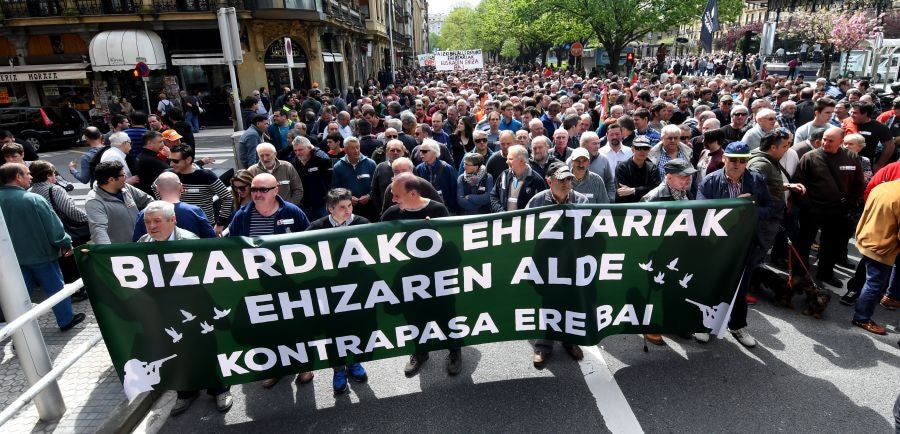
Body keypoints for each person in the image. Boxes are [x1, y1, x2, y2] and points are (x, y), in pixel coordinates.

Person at [380, 172, 458, 376]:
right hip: (408, 278)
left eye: (397, 195)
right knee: (414, 316)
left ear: (413, 193)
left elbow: (452, 243)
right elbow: (378, 245)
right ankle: (420, 352)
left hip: (438, 276)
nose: (393, 200)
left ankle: (454, 351)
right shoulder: (391, 214)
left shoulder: (437, 210)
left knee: (446, 315)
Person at [0, 163, 85, 331]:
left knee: (19, 298)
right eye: (26, 174)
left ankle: (21, 334)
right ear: (18, 177)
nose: (30, 177)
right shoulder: (33, 199)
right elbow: (54, 227)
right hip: (41, 255)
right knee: (55, 288)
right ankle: (66, 319)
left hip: (11, 260)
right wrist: (65, 243)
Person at [304, 188, 371, 393]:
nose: (348, 210)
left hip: (357, 290)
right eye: (342, 207)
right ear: (330, 209)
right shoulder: (316, 228)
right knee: (334, 332)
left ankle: (354, 362)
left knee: (357, 329)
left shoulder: (363, 224)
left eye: (350, 205)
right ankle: (338, 369)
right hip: (330, 293)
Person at [527, 162, 588, 368]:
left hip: (572, 261)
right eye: (561, 179)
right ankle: (543, 345)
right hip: (546, 262)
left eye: (569, 179)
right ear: (549, 181)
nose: (566, 183)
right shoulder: (537, 201)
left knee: (571, 301)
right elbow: (523, 231)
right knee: (548, 302)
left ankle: (569, 340)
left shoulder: (581, 200)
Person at [793, 127, 865, 288]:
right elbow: (798, 182)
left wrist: (850, 204)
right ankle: (800, 273)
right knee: (804, 242)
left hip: (838, 210)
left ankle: (825, 273)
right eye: (824, 139)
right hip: (813, 209)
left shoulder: (851, 157)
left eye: (830, 140)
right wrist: (807, 205)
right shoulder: (810, 157)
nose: (825, 143)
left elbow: (858, 183)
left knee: (831, 244)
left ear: (841, 141)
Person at [849, 180, 900, 336]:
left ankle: (888, 298)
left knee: (870, 279)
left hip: (867, 237)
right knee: (874, 283)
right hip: (883, 246)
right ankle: (862, 318)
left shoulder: (884, 187)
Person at [166, 144, 233, 235]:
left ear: (188, 160)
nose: (171, 164)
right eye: (170, 160)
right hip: (177, 227)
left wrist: (220, 224)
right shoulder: (169, 175)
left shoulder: (206, 176)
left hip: (203, 227)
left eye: (175, 161)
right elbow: (156, 188)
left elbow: (228, 197)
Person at [132, 172, 216, 240]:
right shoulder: (195, 211)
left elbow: (136, 245)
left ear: (157, 189)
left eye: (157, 221)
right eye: (148, 222)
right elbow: (211, 240)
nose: (152, 225)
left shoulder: (144, 214)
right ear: (181, 187)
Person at [85, 160, 152, 244]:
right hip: (120, 251)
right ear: (111, 180)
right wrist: (109, 253)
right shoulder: (94, 201)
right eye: (123, 175)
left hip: (140, 245)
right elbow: (98, 231)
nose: (126, 177)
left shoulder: (125, 188)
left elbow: (148, 200)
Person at [490, 145, 547, 212]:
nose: (507, 162)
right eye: (507, 159)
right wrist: (501, 212)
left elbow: (542, 204)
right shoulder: (504, 175)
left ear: (522, 161)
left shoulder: (537, 180)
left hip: (525, 221)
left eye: (510, 159)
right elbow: (494, 196)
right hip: (504, 220)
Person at [331, 136, 377, 220]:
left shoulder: (371, 163)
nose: (356, 151)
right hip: (348, 209)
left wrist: (369, 196)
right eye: (352, 148)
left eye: (357, 147)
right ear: (345, 149)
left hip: (370, 208)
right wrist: (347, 198)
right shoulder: (338, 167)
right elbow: (335, 189)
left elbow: (377, 186)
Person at [291, 136, 332, 220]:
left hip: (322, 203)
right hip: (304, 203)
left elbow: (331, 181)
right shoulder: (295, 162)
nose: (298, 153)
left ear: (309, 148)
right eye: (295, 150)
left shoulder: (322, 159)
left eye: (300, 150)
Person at [414, 139, 457, 213]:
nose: (421, 153)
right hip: (425, 209)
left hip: (444, 209)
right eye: (420, 151)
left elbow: (453, 190)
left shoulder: (447, 168)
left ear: (434, 152)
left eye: (424, 151)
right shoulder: (418, 168)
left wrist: (451, 210)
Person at [615, 137, 660, 203]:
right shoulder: (622, 167)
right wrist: (644, 189)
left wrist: (632, 190)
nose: (642, 151)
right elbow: (622, 193)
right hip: (626, 207)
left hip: (648, 207)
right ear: (632, 149)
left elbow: (655, 190)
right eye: (638, 148)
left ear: (649, 150)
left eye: (645, 148)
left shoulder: (653, 168)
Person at [135, 130, 169, 195]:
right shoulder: (150, 159)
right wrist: (169, 156)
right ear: (150, 143)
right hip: (153, 195)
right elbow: (173, 172)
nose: (163, 144)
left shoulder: (141, 155)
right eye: (160, 142)